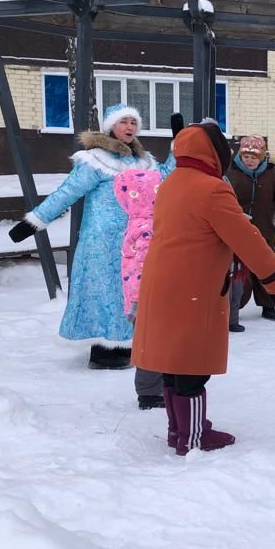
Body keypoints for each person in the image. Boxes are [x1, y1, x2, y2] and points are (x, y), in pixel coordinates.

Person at [132, 120, 275, 456]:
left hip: (163, 285)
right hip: (194, 288)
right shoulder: (212, 189)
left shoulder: (172, 182)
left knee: (175, 363)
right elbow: (246, 238)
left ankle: (179, 430)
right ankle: (193, 438)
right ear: (214, 153)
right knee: (192, 366)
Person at [7, 104, 177, 378]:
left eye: (134, 122)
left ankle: (124, 346)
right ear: (111, 126)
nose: (129, 127)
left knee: (129, 291)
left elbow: (166, 180)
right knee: (103, 292)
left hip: (135, 241)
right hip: (101, 241)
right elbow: (68, 192)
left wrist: (178, 148)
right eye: (123, 122)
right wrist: (34, 222)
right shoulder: (96, 159)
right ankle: (103, 352)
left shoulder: (144, 161)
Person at [225, 135, 275, 330]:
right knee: (240, 270)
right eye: (246, 156)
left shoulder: (272, 174)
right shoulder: (231, 172)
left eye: (254, 156)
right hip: (239, 231)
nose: (249, 160)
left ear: (262, 157)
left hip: (264, 230)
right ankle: (236, 307)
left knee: (266, 268)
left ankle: (268, 305)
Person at [113, 168, 163, 408]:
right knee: (152, 344)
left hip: (137, 295)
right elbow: (144, 266)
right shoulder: (148, 228)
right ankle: (150, 393)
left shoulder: (135, 222)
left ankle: (153, 388)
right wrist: (139, 299)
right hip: (146, 296)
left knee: (148, 342)